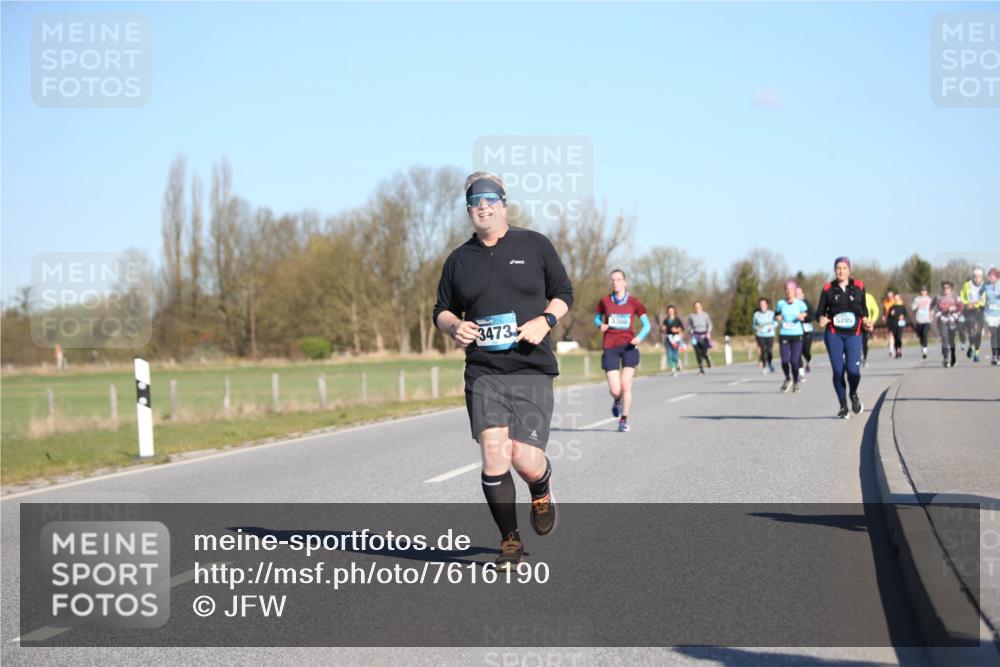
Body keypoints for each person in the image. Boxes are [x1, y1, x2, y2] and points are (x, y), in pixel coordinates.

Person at [433, 172, 573, 569]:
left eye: (489, 199)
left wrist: (545, 320)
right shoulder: (459, 261)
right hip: (484, 370)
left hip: (531, 367)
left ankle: (542, 488)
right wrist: (453, 326)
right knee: (494, 456)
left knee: (525, 459)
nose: (482, 206)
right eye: (474, 202)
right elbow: (440, 310)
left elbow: (564, 293)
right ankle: (509, 540)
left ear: (503, 203)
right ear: (468, 210)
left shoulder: (534, 245)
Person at [595, 269, 651, 432]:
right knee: (615, 389)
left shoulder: (635, 302)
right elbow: (596, 318)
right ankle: (617, 400)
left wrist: (639, 337)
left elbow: (647, 325)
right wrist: (600, 325)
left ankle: (623, 420)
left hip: (629, 346)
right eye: (612, 280)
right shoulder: (604, 301)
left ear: (625, 282)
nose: (615, 282)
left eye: (618, 279)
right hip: (610, 346)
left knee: (626, 385)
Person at [815, 257, 871, 419]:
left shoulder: (859, 286)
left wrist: (866, 321)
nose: (841, 271)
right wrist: (821, 319)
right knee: (838, 371)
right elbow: (819, 312)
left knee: (853, 371)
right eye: (838, 268)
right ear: (834, 270)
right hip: (834, 334)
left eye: (844, 268)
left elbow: (864, 310)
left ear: (849, 270)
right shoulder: (828, 289)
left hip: (854, 334)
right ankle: (843, 406)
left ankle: (853, 394)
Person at [774, 280, 808, 392]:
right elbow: (776, 314)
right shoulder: (780, 303)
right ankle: (788, 378)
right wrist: (777, 318)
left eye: (791, 290)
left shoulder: (800, 304)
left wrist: (802, 315)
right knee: (784, 361)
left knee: (794, 361)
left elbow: (807, 314)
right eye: (786, 290)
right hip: (784, 335)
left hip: (797, 335)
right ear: (785, 291)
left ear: (794, 291)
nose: (789, 292)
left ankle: (796, 382)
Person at [960, 267, 988, 362]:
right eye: (975, 276)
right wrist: (967, 303)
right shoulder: (967, 285)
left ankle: (976, 353)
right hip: (969, 311)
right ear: (973, 277)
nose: (977, 278)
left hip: (980, 310)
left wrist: (976, 304)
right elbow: (962, 297)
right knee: (972, 332)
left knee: (979, 333)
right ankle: (971, 345)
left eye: (979, 276)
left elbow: (985, 299)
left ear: (982, 277)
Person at [932, 281, 962, 368]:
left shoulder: (955, 296)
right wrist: (937, 314)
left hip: (953, 320)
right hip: (942, 320)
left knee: (952, 340)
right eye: (944, 287)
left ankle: (953, 357)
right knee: (944, 338)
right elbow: (931, 306)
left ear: (951, 289)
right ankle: (945, 358)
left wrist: (955, 313)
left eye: (947, 287)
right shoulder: (938, 297)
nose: (945, 289)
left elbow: (961, 307)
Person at [687, 300, 714, 374]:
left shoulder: (705, 315)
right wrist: (690, 331)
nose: (697, 308)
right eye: (696, 307)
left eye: (698, 306)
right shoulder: (691, 316)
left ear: (701, 307)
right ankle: (701, 368)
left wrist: (708, 332)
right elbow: (689, 326)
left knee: (703, 352)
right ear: (694, 308)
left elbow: (710, 324)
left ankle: (707, 358)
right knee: (697, 352)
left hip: (704, 334)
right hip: (695, 335)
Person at [795, 286, 815, 378]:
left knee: (805, 350)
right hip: (795, 331)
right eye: (795, 293)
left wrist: (805, 317)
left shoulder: (807, 304)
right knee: (797, 351)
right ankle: (800, 371)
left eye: (798, 293)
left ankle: (808, 361)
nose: (797, 295)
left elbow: (814, 315)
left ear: (802, 294)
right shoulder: (791, 305)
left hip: (807, 330)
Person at [752, 298, 776, 374]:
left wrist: (771, 327)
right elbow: (753, 325)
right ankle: (765, 366)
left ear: (767, 305)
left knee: (769, 351)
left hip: (770, 334)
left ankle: (770, 363)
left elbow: (776, 322)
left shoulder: (771, 313)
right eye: (761, 304)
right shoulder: (756, 314)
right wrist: (757, 327)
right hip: (760, 334)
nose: (762, 306)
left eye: (764, 304)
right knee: (763, 350)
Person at [660, 304, 684, 376]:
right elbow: (662, 328)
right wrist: (662, 328)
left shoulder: (677, 320)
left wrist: (676, 330)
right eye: (669, 311)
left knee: (674, 354)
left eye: (672, 311)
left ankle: (678, 361)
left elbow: (682, 329)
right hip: (668, 338)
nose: (670, 312)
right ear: (667, 312)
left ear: (674, 311)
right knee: (669, 354)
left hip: (676, 338)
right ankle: (673, 370)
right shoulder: (666, 320)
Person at [911, 287, 933, 359]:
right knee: (920, 335)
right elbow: (913, 309)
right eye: (922, 290)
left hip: (927, 320)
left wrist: (931, 315)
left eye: (924, 290)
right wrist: (918, 307)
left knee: (924, 334)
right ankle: (922, 346)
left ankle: (925, 350)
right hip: (919, 320)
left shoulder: (929, 299)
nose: (923, 292)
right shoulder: (917, 299)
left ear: (926, 292)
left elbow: (932, 308)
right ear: (920, 292)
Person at [984, 268, 1000, 366]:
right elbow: (979, 296)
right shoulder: (985, 286)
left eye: (991, 276)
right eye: (989, 276)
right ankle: (994, 355)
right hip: (990, 314)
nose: (989, 278)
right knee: (993, 334)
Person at [887, 294, 909, 359]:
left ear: (899, 298)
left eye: (897, 298)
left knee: (899, 337)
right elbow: (888, 317)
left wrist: (903, 317)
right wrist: (891, 314)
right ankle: (896, 351)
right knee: (895, 338)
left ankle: (900, 350)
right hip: (893, 324)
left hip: (900, 324)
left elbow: (906, 315)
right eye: (895, 298)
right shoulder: (892, 307)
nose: (896, 299)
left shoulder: (902, 307)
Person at [862, 291, 879, 368]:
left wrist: (872, 320)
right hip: (854, 324)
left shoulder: (869, 297)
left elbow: (875, 310)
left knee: (864, 341)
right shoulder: (849, 295)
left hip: (866, 324)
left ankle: (864, 358)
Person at [882, 290, 896, 357]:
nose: (889, 297)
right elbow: (884, 310)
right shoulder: (885, 302)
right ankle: (891, 348)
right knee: (890, 333)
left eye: (891, 296)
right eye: (888, 296)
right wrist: (883, 316)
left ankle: (895, 347)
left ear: (893, 296)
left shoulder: (895, 302)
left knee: (895, 334)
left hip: (895, 319)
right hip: (889, 320)